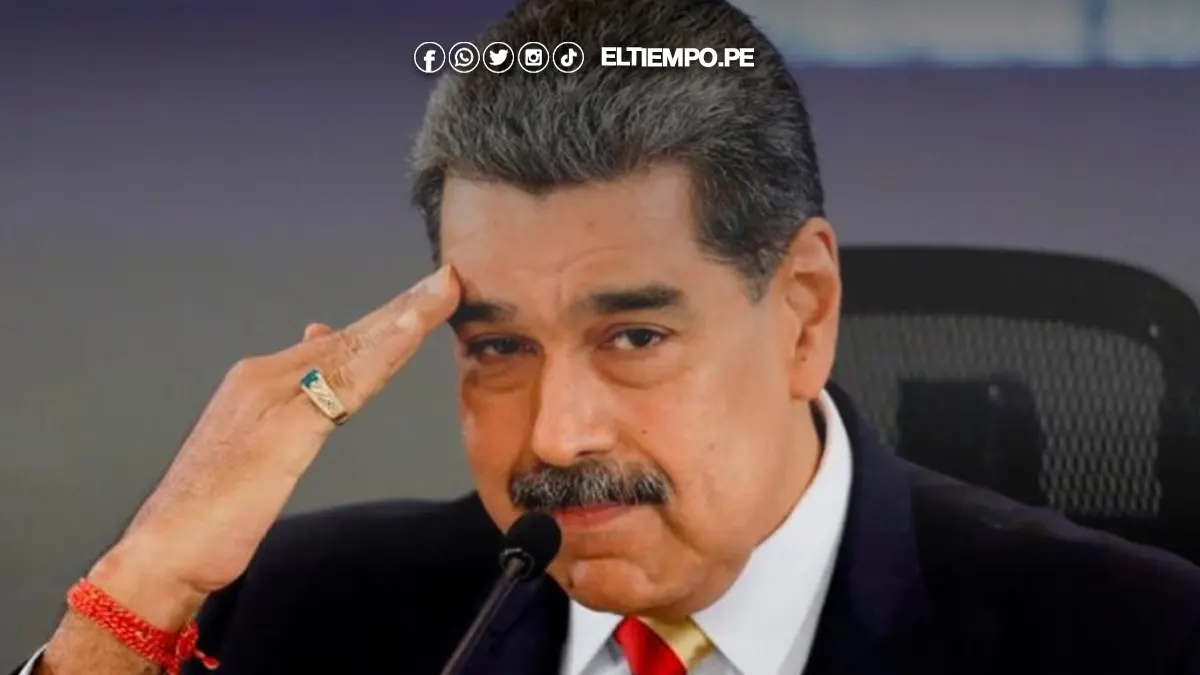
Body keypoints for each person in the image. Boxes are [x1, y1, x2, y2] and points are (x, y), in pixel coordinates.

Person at [13, 0, 1200, 673]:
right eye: (498, 347)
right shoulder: (297, 615)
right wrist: (142, 587)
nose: (556, 435)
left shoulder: (1139, 641)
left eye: (632, 337)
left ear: (803, 311)